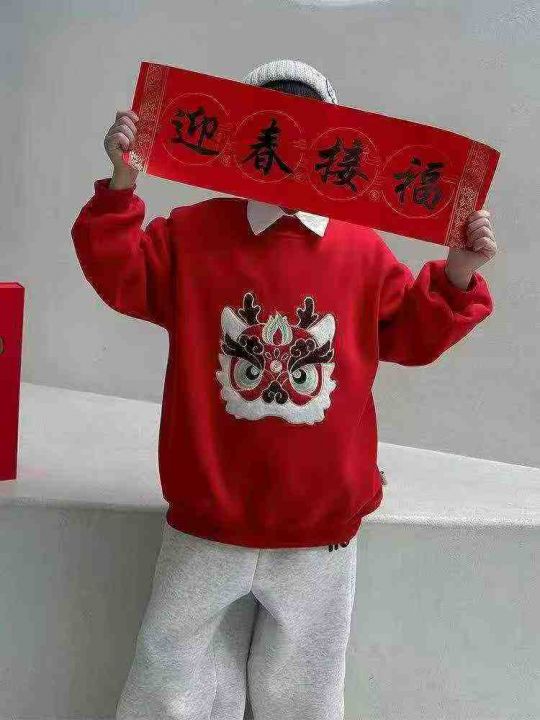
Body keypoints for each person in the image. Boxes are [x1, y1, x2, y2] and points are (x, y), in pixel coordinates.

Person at [71, 59, 497, 720]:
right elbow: (121, 270)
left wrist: (458, 272)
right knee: (170, 680)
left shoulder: (361, 252)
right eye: (274, 130)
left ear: (336, 143)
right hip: (210, 516)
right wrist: (123, 185)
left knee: (305, 694)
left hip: (319, 530)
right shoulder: (194, 234)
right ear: (242, 135)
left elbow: (413, 334)